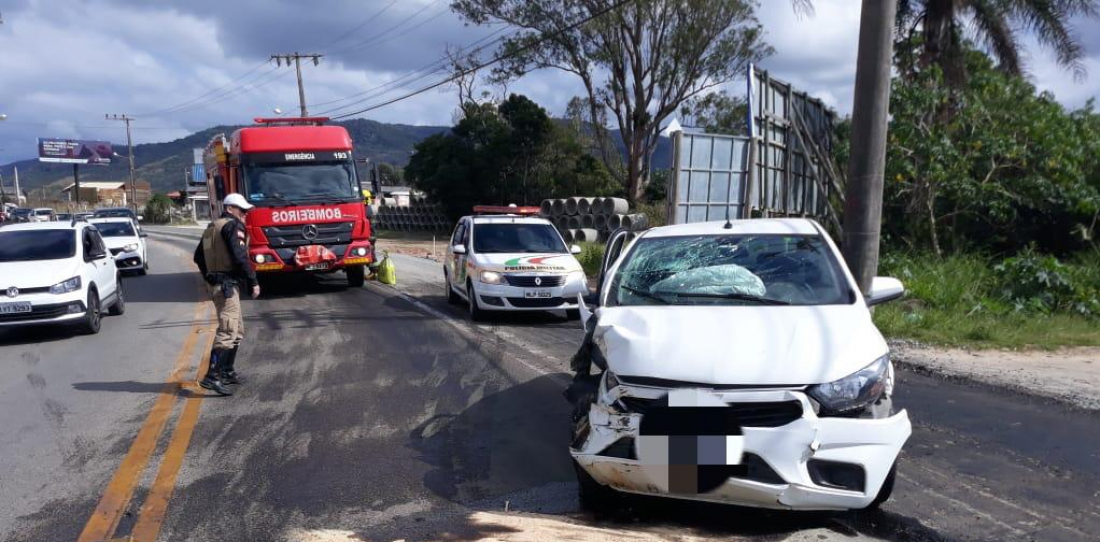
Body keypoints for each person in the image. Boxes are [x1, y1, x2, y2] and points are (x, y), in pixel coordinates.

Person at [193, 193, 259, 396]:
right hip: (227, 286)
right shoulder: (232, 226)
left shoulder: (212, 227)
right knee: (228, 330)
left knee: (236, 329)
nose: (245, 215)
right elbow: (239, 257)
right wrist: (253, 281)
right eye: (242, 211)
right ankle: (211, 376)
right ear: (230, 209)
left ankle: (227, 371)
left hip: (219, 285)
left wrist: (210, 277)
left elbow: (198, 257)